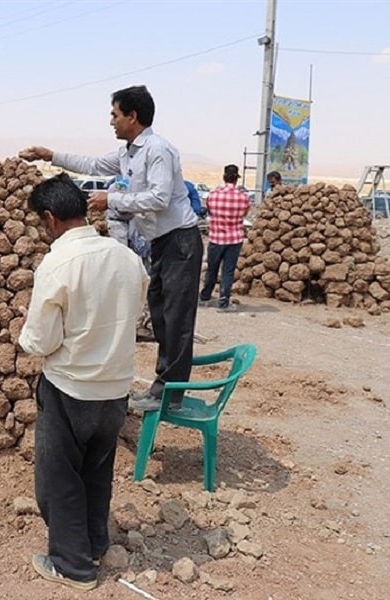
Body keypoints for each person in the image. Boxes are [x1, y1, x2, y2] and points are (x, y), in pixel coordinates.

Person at [19, 84, 203, 412]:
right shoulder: (127, 153)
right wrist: (50, 155)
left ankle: (170, 396)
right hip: (162, 242)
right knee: (161, 316)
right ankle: (163, 388)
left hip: (180, 241)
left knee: (177, 320)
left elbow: (160, 198)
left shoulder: (158, 150)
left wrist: (112, 199)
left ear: (132, 116)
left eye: (115, 114)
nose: (111, 121)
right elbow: (92, 164)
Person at [18, 174, 149, 591]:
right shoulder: (126, 258)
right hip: (115, 388)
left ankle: (72, 566)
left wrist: (26, 327)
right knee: (96, 471)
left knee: (59, 479)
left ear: (50, 218)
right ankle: (94, 543)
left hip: (70, 388)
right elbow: (134, 310)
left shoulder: (57, 264)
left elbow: (41, 341)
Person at [199, 164, 250, 312]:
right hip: (234, 239)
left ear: (224, 177)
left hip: (216, 238)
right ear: (236, 179)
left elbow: (210, 212)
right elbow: (244, 214)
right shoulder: (243, 197)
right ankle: (223, 302)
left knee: (212, 269)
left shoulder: (213, 195)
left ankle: (205, 297)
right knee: (228, 271)